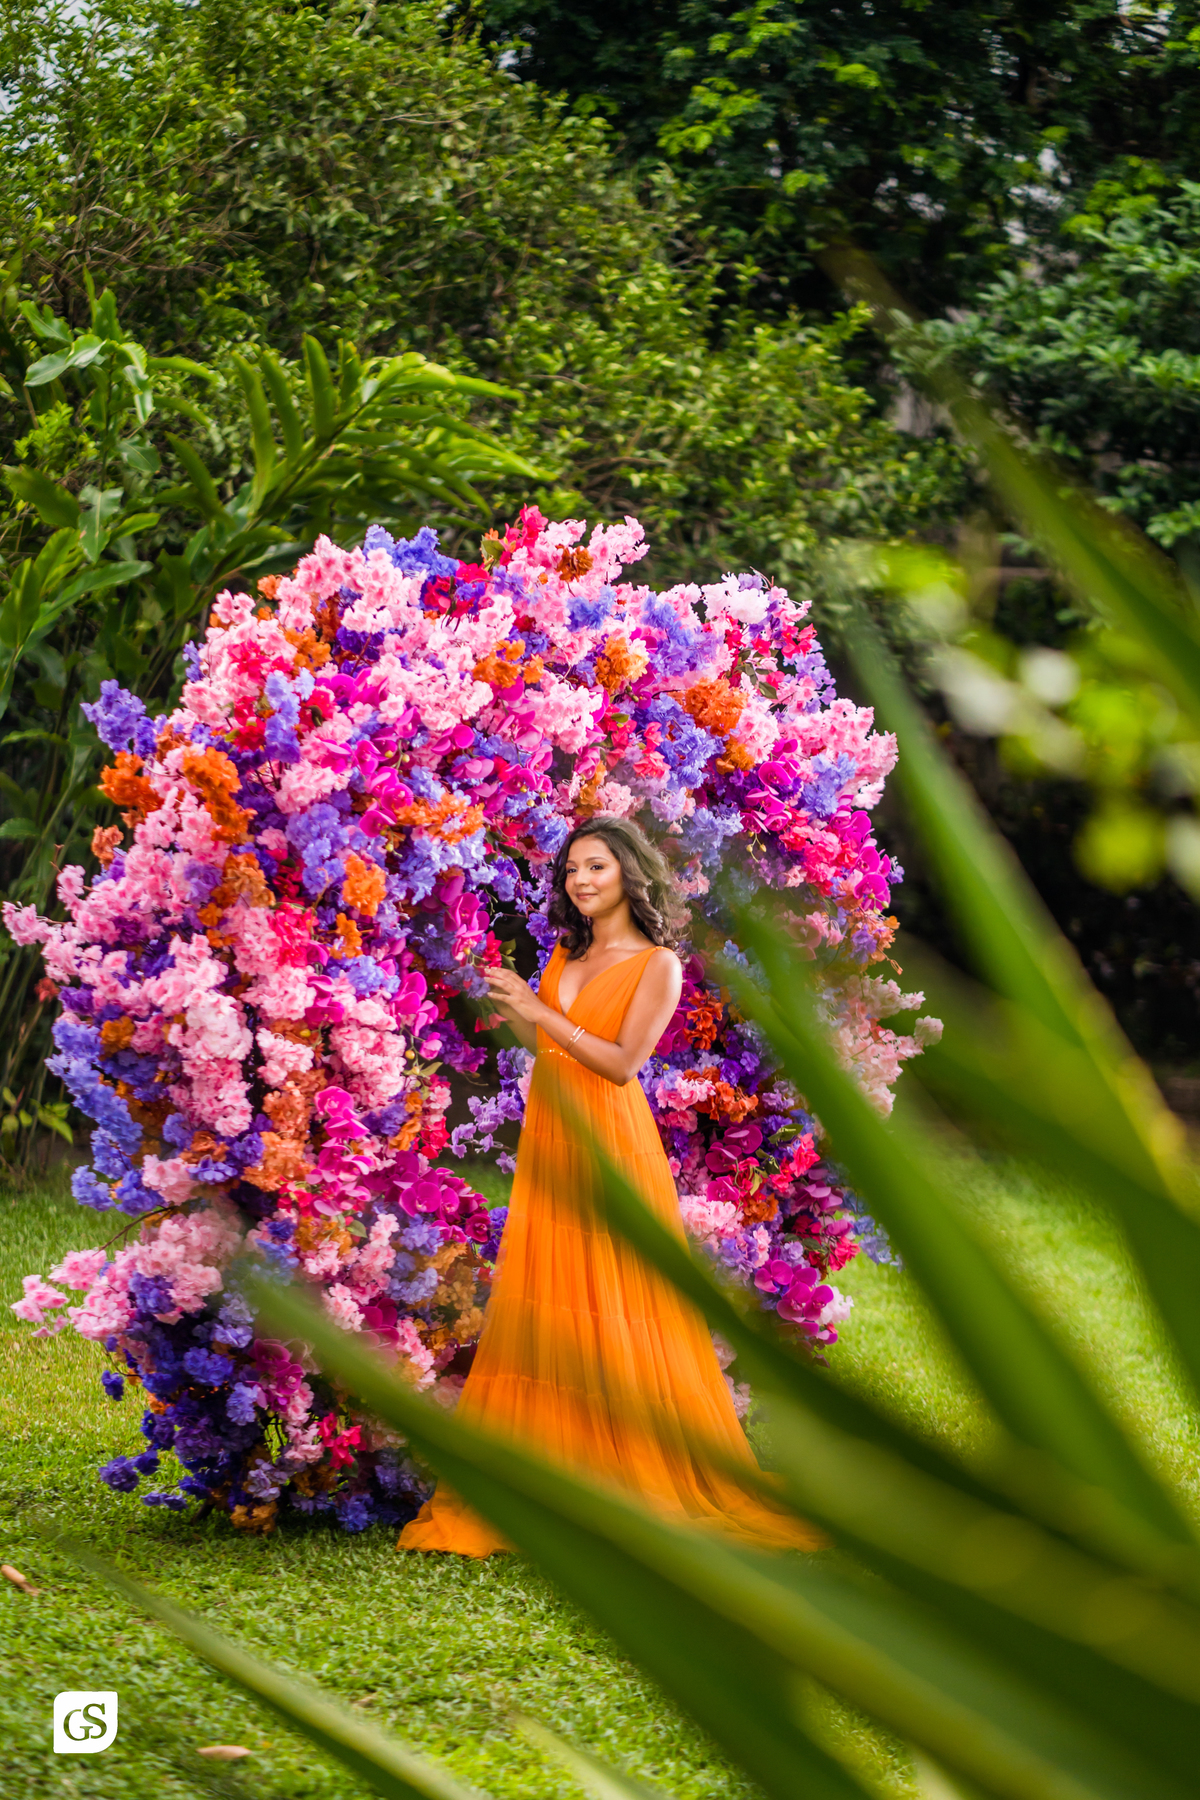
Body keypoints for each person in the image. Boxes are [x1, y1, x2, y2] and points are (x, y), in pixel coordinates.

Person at [397, 815, 819, 1556]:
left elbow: (622, 1063)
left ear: (627, 872)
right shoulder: (568, 950)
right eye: (570, 871)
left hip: (611, 1137)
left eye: (595, 867)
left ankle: (629, 1472)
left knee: (615, 1292)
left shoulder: (658, 965)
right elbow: (551, 1043)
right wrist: (515, 1013)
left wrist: (539, 1013)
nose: (580, 881)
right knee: (550, 1291)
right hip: (553, 1132)